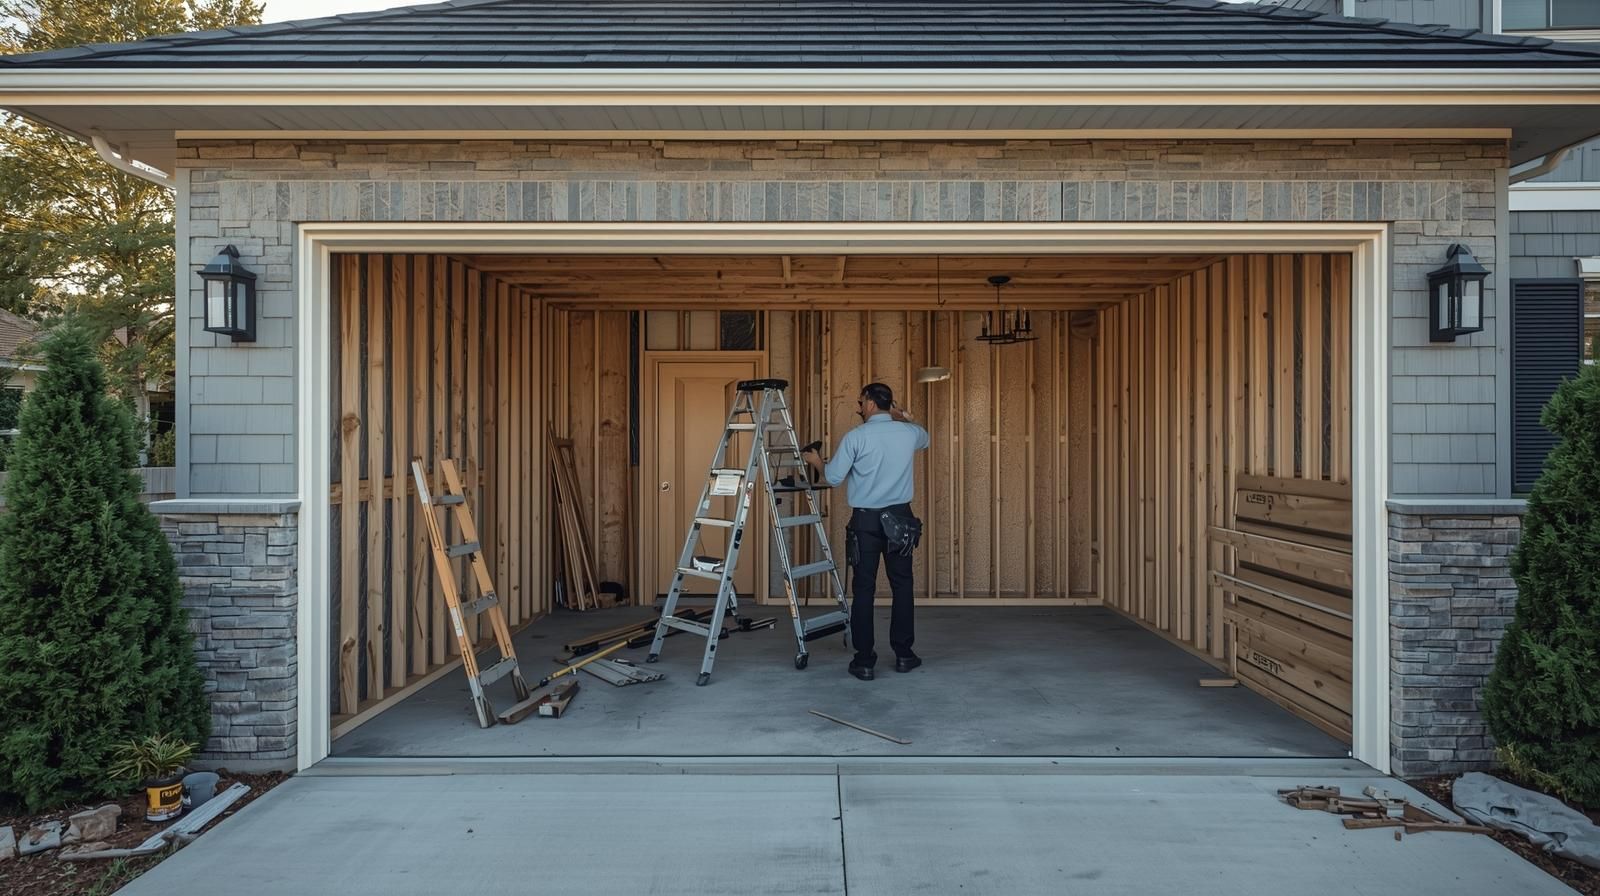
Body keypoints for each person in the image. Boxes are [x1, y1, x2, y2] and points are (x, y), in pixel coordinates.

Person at [801, 382, 929, 681]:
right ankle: (904, 655)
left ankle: (865, 661)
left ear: (870, 404)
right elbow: (925, 437)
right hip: (900, 520)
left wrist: (816, 462)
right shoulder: (909, 433)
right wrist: (903, 416)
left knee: (863, 591)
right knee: (902, 586)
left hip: (866, 522)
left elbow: (833, 479)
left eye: (860, 403)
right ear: (889, 404)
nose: (859, 408)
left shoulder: (856, 437)